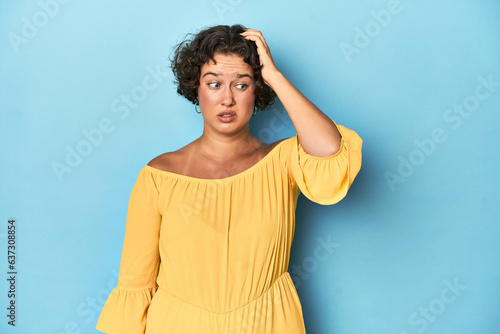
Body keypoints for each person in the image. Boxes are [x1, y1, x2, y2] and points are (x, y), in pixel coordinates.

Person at [96, 24, 362, 334]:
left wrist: (273, 76)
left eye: (241, 84)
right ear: (195, 88)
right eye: (214, 84)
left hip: (268, 324)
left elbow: (330, 150)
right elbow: (135, 283)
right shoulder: (159, 176)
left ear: (257, 91)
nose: (227, 99)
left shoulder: (283, 161)